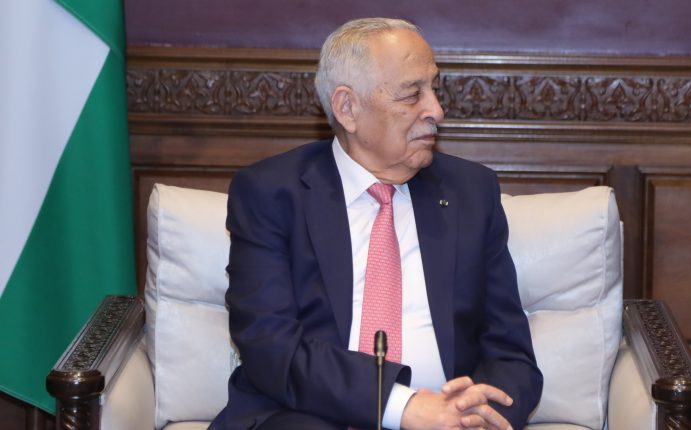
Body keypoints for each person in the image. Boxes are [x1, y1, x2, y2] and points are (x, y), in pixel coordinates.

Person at [209, 18, 542, 430]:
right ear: (347, 108)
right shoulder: (272, 193)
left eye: (433, 89)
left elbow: (511, 354)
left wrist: (478, 414)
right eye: (412, 94)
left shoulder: (471, 193)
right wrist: (401, 406)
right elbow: (270, 345)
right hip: (306, 417)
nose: (436, 110)